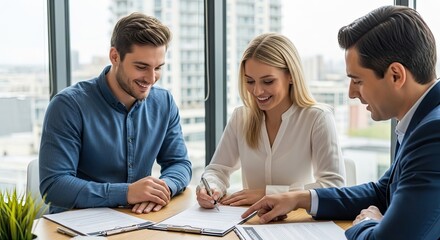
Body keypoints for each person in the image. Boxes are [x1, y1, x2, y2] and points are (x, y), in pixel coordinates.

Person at [242, 5, 440, 240]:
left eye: (357, 80)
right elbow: (382, 192)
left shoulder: (432, 133)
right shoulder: (420, 121)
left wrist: (366, 222)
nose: (351, 94)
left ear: (396, 75)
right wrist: (299, 198)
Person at [39, 12, 192, 214]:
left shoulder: (164, 102)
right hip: (77, 226)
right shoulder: (68, 106)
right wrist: (127, 193)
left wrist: (163, 189)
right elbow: (54, 186)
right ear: (115, 56)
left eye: (158, 68)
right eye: (141, 67)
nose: (151, 78)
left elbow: (179, 163)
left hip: (138, 221)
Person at [197, 33, 346, 209]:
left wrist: (268, 194)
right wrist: (211, 187)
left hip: (297, 223)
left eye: (268, 81)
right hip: (250, 221)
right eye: (250, 81)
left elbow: (334, 187)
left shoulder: (317, 118)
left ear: (290, 76)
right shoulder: (241, 117)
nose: (258, 91)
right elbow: (217, 170)